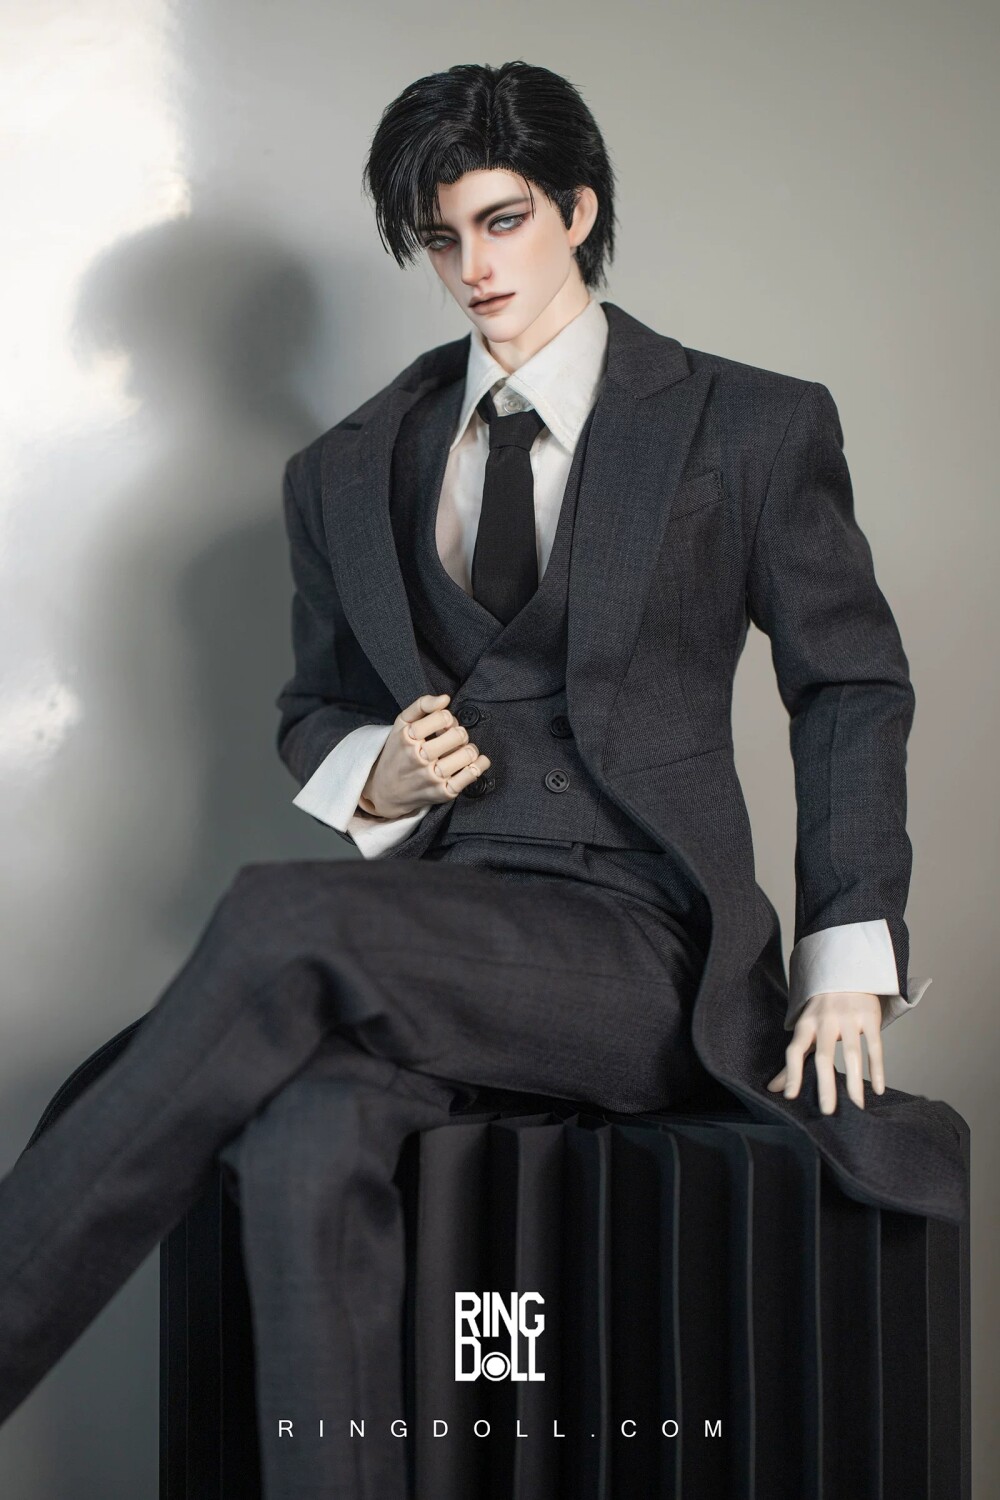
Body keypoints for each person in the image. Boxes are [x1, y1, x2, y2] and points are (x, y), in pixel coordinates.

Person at [0, 59, 965, 1500]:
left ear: (577, 210)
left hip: (642, 949)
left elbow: (851, 685)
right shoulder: (346, 468)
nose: (473, 268)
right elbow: (316, 708)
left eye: (502, 221)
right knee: (303, 1136)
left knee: (282, 913)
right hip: (435, 936)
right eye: (440, 238)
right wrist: (378, 773)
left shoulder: (746, 425)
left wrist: (848, 955)